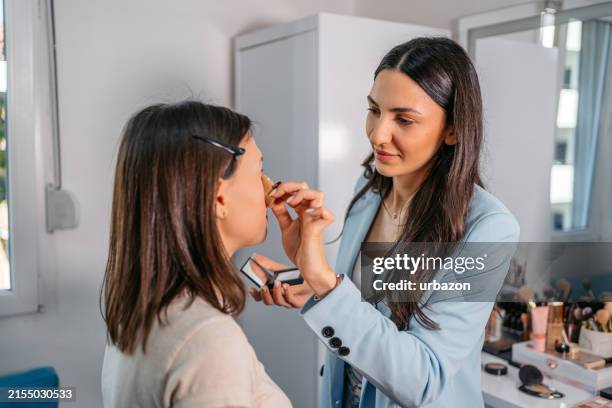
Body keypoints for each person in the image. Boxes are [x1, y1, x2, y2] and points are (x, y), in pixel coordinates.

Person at [250, 37, 520, 408]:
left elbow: (425, 379)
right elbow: (359, 313)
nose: (378, 134)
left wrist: (327, 286)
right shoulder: (370, 188)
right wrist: (310, 280)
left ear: (453, 130)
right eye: (374, 110)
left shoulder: (488, 228)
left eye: (404, 119)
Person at [99, 100, 325, 408]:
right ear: (219, 196)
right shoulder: (207, 341)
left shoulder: (137, 313)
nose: (271, 187)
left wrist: (319, 280)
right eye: (260, 171)